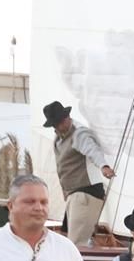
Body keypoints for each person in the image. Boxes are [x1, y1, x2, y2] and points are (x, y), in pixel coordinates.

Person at [44, 100, 112, 245]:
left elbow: (92, 150)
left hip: (86, 193)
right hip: (74, 195)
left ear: (67, 117)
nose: (59, 126)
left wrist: (103, 166)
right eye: (56, 124)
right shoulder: (59, 138)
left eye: (61, 122)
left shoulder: (79, 134)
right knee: (67, 239)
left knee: (75, 243)